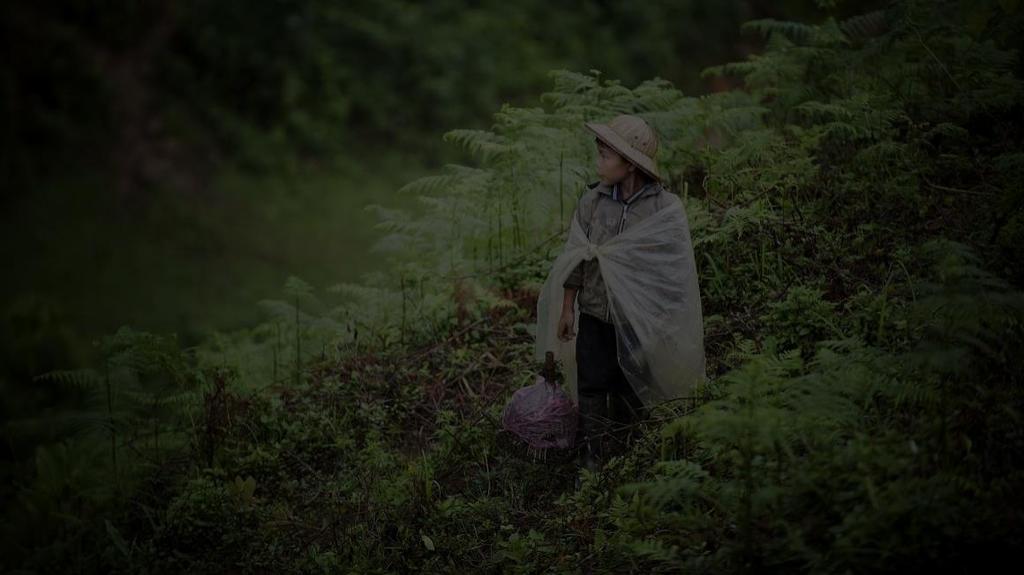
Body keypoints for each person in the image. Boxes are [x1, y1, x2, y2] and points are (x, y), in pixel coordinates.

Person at [557, 114, 678, 472]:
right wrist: (568, 308)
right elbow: (576, 258)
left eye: (605, 156)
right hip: (594, 313)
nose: (598, 163)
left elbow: (669, 271)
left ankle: (631, 459)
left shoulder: (662, 208)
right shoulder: (592, 202)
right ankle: (592, 459)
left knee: (632, 386)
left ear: (629, 164)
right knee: (592, 385)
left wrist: (662, 319)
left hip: (636, 320)